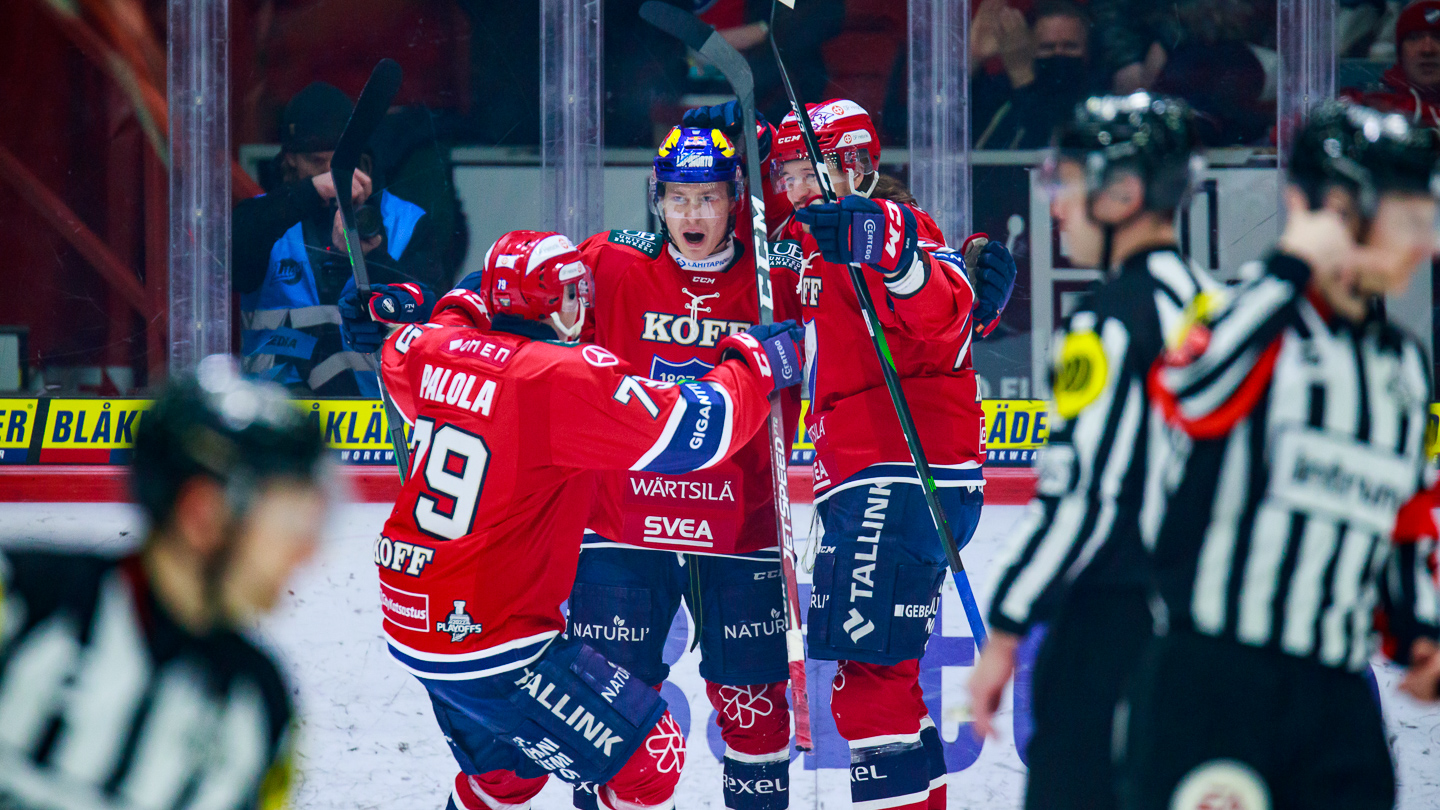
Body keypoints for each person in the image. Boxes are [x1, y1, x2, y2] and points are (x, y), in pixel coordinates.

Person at [351, 229, 803, 810]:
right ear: (553, 300)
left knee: (507, 779)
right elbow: (693, 432)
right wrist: (752, 365)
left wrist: (429, 304)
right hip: (493, 637)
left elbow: (408, 339)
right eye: (572, 292)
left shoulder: (430, 346)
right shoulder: (558, 377)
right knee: (653, 758)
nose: (582, 305)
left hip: (410, 620)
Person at [1119, 100, 1440, 810]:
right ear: (1337, 212)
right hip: (1215, 684)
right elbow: (1186, 391)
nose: (1426, 246)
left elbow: (1404, 512)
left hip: (1337, 692)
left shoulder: (1403, 365)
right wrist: (1293, 263)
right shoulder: (1248, 320)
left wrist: (1417, 630)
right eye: (1410, 220)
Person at [967, 93, 1215, 810]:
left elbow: (1081, 503)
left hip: (1112, 642)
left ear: (1124, 193)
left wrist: (1005, 629)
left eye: (1068, 183)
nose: (1055, 205)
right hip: (1208, 642)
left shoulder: (1105, 325)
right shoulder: (1221, 309)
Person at [768, 98, 1017, 810]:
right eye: (785, 174)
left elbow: (941, 308)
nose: (793, 189)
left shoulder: (890, 224)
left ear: (853, 165)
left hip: (896, 472)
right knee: (888, 679)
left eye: (805, 171)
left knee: (869, 689)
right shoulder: (814, 236)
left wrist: (892, 251)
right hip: (879, 470)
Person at [566, 116, 804, 810]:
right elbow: (522, 294)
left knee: (755, 709)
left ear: (735, 200)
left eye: (707, 198)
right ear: (657, 200)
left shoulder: (777, 276)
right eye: (678, 198)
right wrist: (429, 312)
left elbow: (875, 309)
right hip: (623, 522)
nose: (692, 215)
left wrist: (967, 298)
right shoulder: (612, 264)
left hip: (742, 525)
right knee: (607, 712)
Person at [0, 355, 329, 809]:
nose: (306, 552)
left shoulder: (257, 706)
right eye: (288, 523)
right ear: (203, 515)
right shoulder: (17, 606)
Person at [233, 81, 442, 396]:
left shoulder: (406, 222)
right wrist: (309, 193)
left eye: (341, 163)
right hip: (279, 414)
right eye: (318, 163)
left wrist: (368, 258)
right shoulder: (265, 219)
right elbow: (231, 257)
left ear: (362, 157)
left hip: (377, 418)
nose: (331, 176)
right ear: (290, 159)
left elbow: (435, 320)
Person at [971, 0, 1100, 149]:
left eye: (1070, 46)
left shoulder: (1097, 99)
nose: (1058, 53)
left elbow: (1049, 140)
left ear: (1087, 50)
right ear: (1031, 49)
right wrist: (973, 59)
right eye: (1047, 47)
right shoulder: (1001, 93)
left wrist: (1022, 75)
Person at [1344, 0, 1440, 130]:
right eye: (1414, 37)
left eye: (1438, 37)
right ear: (1400, 52)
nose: (1427, 50)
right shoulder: (1372, 104)